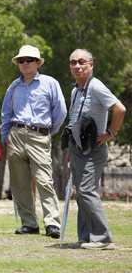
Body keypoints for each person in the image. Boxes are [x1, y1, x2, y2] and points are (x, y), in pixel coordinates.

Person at [0, 45, 67, 238]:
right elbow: (6, 114)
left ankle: (52, 223)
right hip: (15, 135)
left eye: (29, 60)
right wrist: (6, 138)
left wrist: (47, 132)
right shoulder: (13, 86)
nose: (25, 63)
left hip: (39, 135)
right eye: (21, 60)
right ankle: (29, 223)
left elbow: (61, 111)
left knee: (44, 180)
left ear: (38, 63)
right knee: (20, 182)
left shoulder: (49, 83)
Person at [65, 49, 126, 250]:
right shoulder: (76, 90)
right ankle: (85, 237)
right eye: (73, 62)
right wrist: (69, 148)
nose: (77, 66)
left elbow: (120, 108)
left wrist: (111, 133)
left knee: (87, 191)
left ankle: (104, 239)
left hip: (93, 149)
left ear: (91, 65)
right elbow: (74, 119)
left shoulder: (96, 86)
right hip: (76, 148)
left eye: (82, 62)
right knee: (80, 193)